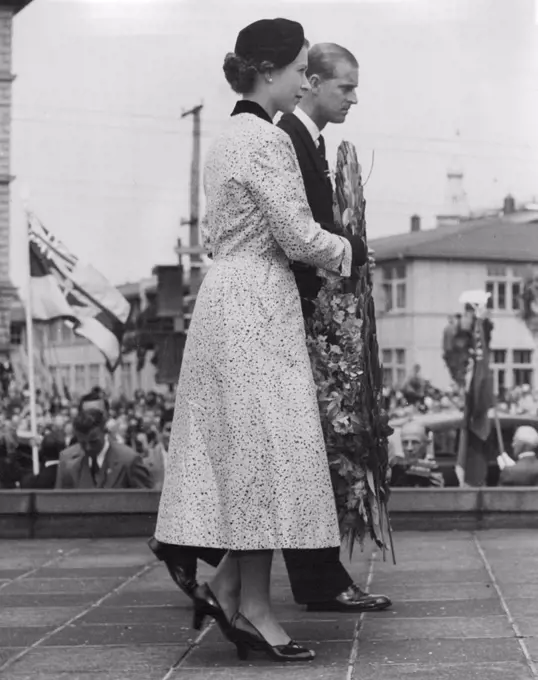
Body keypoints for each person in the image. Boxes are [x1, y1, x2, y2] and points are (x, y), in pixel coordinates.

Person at [152, 18, 367, 664]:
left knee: (252, 461)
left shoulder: (226, 139)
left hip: (225, 300)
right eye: (302, 69)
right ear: (269, 71)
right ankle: (250, 604)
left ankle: (243, 597)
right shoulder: (268, 143)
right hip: (258, 307)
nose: (306, 80)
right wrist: (352, 250)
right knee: (269, 458)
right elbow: (299, 236)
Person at [275, 42, 391, 613]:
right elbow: (298, 233)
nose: (352, 98)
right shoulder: (288, 139)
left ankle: (318, 578)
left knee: (310, 456)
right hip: (294, 316)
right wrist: (351, 253)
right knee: (306, 456)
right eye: (344, 87)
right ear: (314, 82)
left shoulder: (308, 141)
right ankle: (318, 581)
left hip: (309, 315)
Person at [55, 409, 153, 489]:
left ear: (105, 432)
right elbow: (59, 503)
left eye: (94, 442)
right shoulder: (68, 460)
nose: (88, 448)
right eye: (82, 443)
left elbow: (146, 503)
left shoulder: (129, 460)